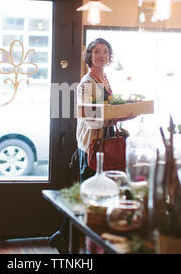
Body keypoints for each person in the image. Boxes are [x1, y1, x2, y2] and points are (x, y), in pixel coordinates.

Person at [49, 38, 135, 253]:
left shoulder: (104, 78)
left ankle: (68, 238)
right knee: (88, 195)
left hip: (101, 143)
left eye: (106, 52)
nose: (102, 55)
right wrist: (115, 116)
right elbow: (90, 117)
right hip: (90, 145)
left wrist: (122, 116)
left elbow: (105, 112)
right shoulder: (87, 83)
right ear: (89, 56)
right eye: (97, 52)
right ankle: (68, 239)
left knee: (91, 195)